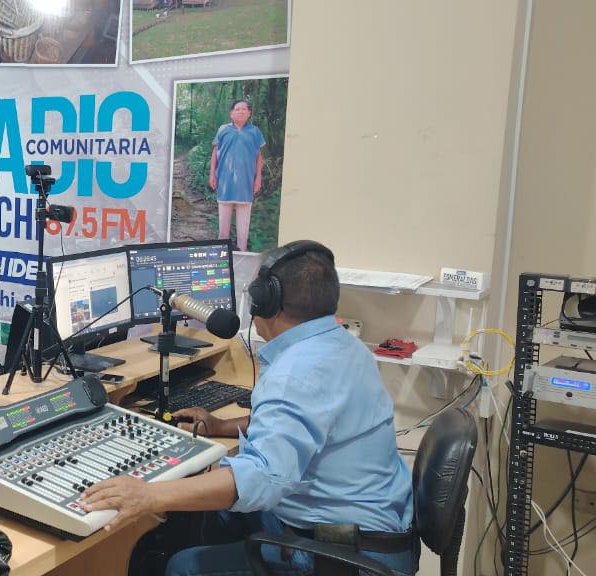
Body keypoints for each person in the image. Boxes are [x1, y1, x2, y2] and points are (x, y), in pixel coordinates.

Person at [81, 241, 417, 576]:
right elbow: (303, 422)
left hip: (343, 557)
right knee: (202, 515)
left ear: (265, 300)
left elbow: (263, 478)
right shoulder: (343, 344)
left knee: (183, 567)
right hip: (376, 533)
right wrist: (220, 427)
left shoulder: (295, 375)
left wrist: (147, 495)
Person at [209, 99, 265, 252]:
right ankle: (222, 253)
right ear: (231, 113)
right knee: (223, 226)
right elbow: (215, 153)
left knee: (243, 226)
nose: (240, 111)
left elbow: (258, 156)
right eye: (237, 109)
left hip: (246, 183)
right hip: (224, 182)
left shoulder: (255, 132)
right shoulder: (223, 130)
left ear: (249, 113)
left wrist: (258, 178)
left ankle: (242, 251)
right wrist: (212, 174)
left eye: (244, 109)